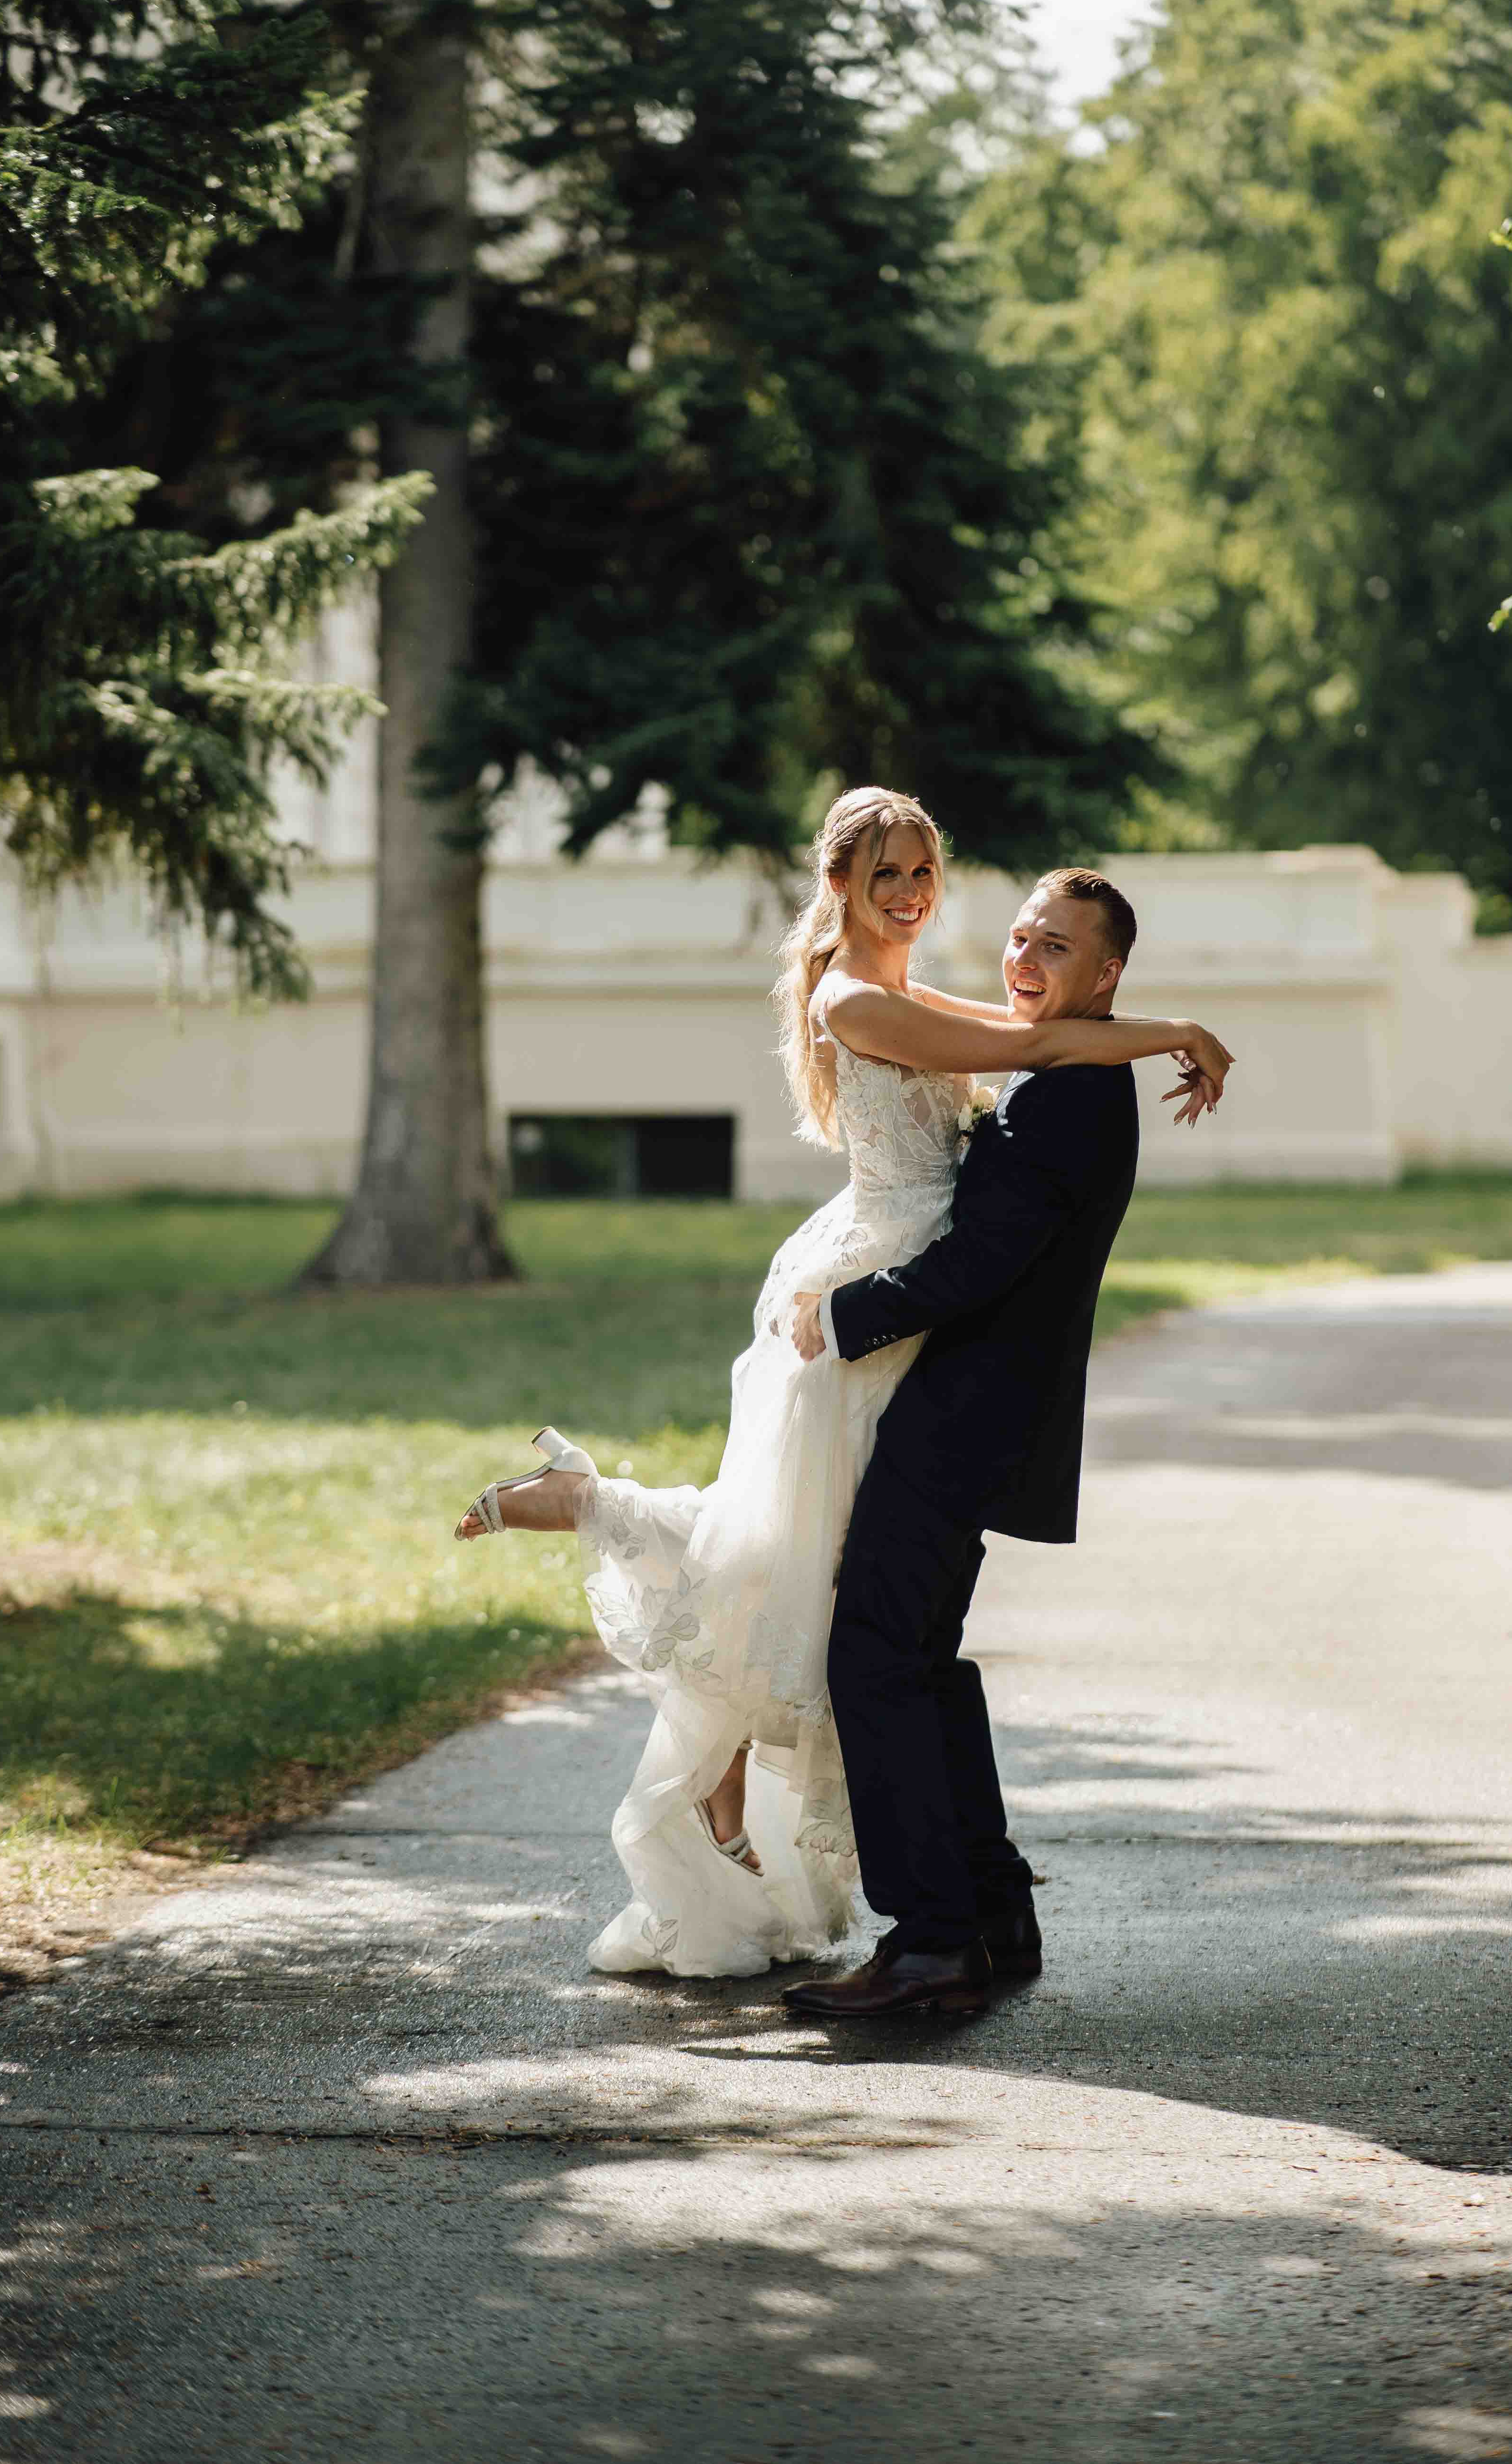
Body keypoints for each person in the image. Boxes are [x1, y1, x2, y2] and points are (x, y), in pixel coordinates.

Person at [453, 789, 1232, 1980]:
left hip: (912, 1320)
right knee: (824, 1594)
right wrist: (1175, 1028)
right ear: (839, 886)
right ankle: (931, 1906)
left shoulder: (945, 1008)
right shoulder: (855, 998)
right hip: (871, 1305)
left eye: (923, 872)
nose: (912, 895)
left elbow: (1032, 1045)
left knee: (858, 1620)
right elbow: (1032, 1046)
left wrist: (1164, 1026)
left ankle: (947, 1920)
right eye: (886, 876)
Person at [778, 864, 1169, 2018]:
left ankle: (932, 1943)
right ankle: (991, 1909)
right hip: (976, 1405)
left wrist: (844, 1315)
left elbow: (982, 1260)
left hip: (966, 1409)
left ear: (1105, 974)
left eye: (1056, 948)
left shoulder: (1070, 1095)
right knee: (924, 1658)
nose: (1025, 960)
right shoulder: (1063, 1073)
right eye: (1020, 937)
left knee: (873, 1656)